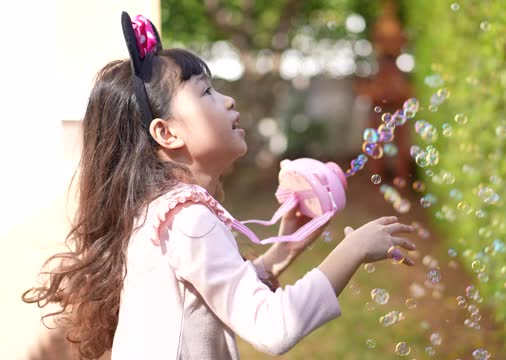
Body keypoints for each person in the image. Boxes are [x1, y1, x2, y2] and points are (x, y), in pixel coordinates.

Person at [22, 13, 416, 360]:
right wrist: (353, 249)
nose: (227, 101)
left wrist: (283, 252)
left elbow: (214, 296)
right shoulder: (190, 219)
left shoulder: (161, 212)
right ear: (167, 132)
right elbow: (273, 326)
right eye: (206, 92)